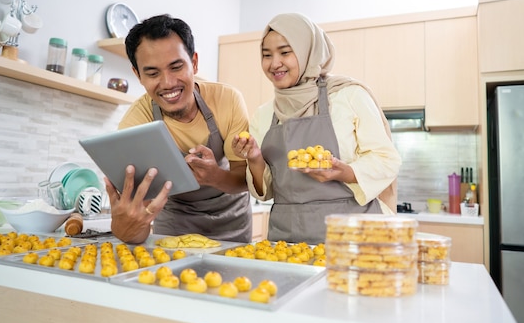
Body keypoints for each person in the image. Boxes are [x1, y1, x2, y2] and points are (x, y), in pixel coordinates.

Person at [232, 13, 401, 244]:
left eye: (285, 52)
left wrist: (344, 172)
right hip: (288, 239)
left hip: (354, 236)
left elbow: (387, 160)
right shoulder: (264, 114)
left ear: (307, 51)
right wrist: (254, 158)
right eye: (266, 55)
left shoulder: (348, 95)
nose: (274, 63)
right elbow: (268, 190)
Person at [106, 14, 253, 244]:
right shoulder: (136, 124)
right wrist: (126, 223)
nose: (168, 83)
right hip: (176, 223)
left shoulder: (227, 100)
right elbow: (134, 221)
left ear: (194, 62)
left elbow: (244, 179)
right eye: (153, 73)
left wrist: (214, 176)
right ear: (138, 75)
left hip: (232, 220)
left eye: (176, 67)